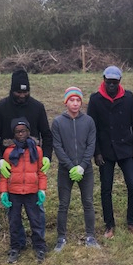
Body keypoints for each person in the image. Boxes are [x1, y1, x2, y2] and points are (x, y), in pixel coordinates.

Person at [0, 69, 52, 246]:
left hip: (33, 162)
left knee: (36, 209)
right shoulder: (1, 107)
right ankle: (17, 243)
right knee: (14, 209)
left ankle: (38, 242)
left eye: (26, 92)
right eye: (19, 92)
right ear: (12, 90)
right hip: (10, 163)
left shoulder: (37, 107)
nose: (22, 95)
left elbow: (47, 135)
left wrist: (47, 155)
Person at [87, 66, 133, 239]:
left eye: (115, 82)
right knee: (106, 188)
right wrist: (96, 152)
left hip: (126, 149)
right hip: (105, 151)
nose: (111, 85)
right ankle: (109, 225)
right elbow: (92, 128)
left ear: (120, 82)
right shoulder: (95, 99)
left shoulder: (128, 97)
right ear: (104, 80)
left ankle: (132, 221)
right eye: (109, 82)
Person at [51, 87, 101, 251]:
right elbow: (57, 147)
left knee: (88, 202)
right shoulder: (58, 122)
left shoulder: (89, 121)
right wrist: (71, 167)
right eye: (72, 100)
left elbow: (91, 145)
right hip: (65, 171)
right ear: (66, 102)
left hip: (85, 170)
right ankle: (61, 238)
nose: (75, 103)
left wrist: (82, 166)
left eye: (78, 100)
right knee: (63, 204)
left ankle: (90, 236)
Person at [0, 117, 48, 264]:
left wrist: (42, 189)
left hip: (32, 191)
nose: (21, 134)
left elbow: (41, 172)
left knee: (36, 220)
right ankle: (16, 246)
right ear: (14, 134)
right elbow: (4, 175)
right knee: (14, 221)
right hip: (14, 191)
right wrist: (3, 191)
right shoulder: (8, 152)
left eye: (24, 131)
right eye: (17, 131)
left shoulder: (37, 150)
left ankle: (39, 245)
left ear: (28, 131)